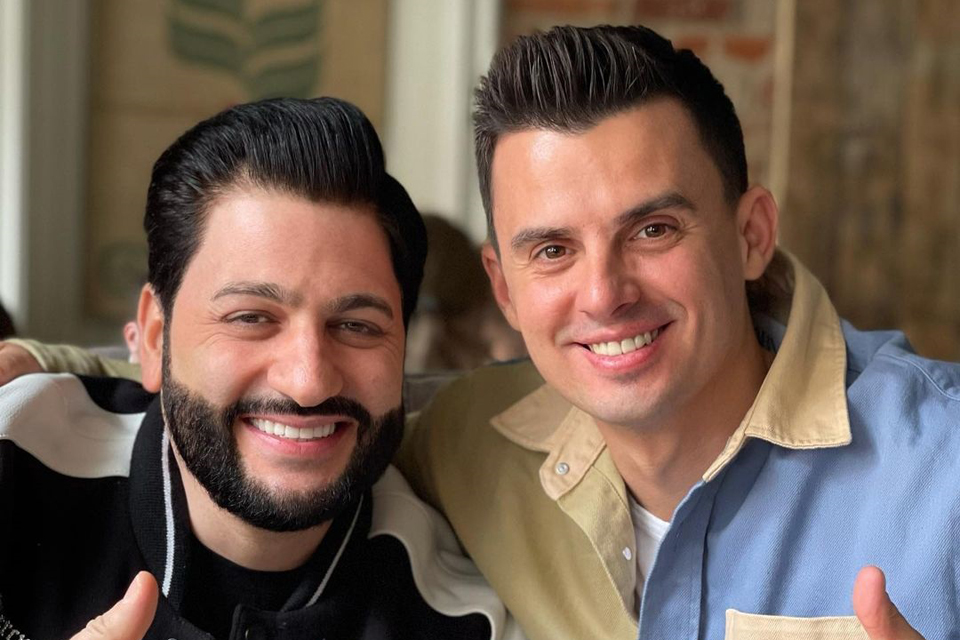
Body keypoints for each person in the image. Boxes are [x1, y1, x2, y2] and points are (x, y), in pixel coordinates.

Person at [2, 25, 956, 640]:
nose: (604, 293)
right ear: (502, 284)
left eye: (654, 230)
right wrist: (49, 364)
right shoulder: (476, 436)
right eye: (552, 250)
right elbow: (309, 403)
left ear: (751, 234)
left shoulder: (942, 467)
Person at [0, 97, 520, 640]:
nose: (308, 382)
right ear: (154, 337)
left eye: (356, 326)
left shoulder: (465, 616)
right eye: (251, 318)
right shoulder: (14, 462)